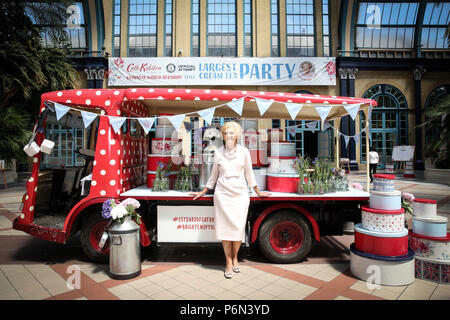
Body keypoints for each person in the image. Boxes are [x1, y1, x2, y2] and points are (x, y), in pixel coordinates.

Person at [190, 121, 271, 279]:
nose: (228, 136)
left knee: (237, 231)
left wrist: (258, 191)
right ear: (223, 135)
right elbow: (213, 175)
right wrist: (204, 191)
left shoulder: (245, 152)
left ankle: (235, 258)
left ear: (237, 136)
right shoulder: (218, 152)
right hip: (222, 195)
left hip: (240, 195)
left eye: (231, 133)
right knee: (225, 232)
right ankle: (228, 261)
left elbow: (249, 174)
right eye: (226, 133)